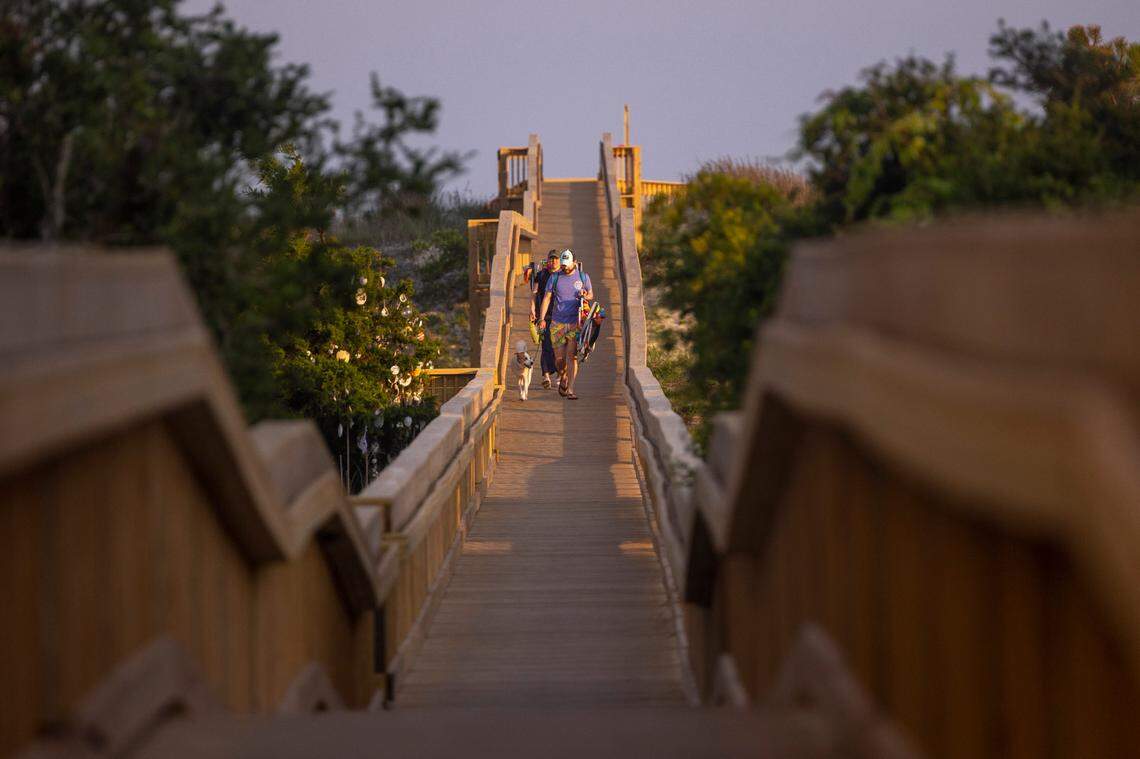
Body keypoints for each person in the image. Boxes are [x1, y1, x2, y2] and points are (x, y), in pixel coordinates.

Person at [537, 249, 592, 400]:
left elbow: (591, 294)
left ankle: (571, 389)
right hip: (557, 323)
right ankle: (563, 376)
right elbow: (547, 298)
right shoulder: (554, 277)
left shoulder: (583, 277)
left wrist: (585, 295)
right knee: (559, 360)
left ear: (574, 263)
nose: (564, 267)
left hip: (575, 323)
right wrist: (542, 319)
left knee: (572, 356)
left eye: (567, 265)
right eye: (563, 265)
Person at [530, 250, 560, 388]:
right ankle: (546, 375)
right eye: (551, 259)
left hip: (561, 314)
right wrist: (532, 308)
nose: (553, 261)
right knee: (546, 344)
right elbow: (534, 293)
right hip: (544, 315)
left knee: (559, 346)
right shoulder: (541, 275)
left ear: (559, 261)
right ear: (547, 260)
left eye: (555, 259)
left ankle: (560, 373)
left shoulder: (564, 275)